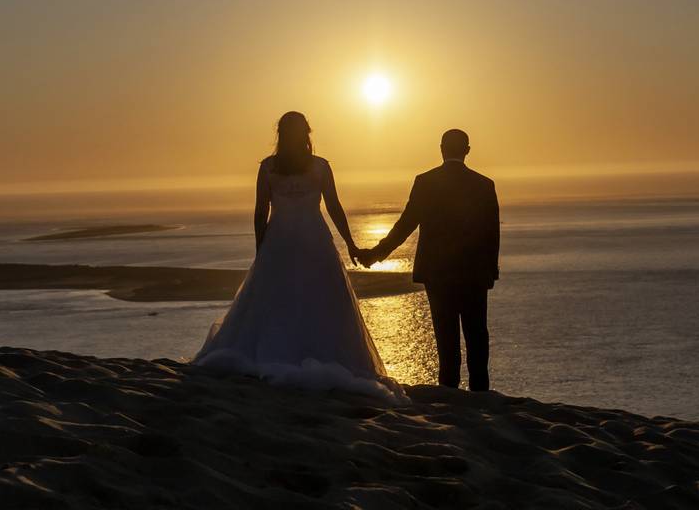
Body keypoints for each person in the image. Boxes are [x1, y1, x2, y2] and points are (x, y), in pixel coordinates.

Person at [193, 111, 405, 401]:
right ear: (306, 134)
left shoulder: (269, 167)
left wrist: (262, 248)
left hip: (281, 240)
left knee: (277, 300)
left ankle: (277, 351)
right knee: (321, 299)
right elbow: (333, 207)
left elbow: (260, 213)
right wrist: (351, 243)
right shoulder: (319, 167)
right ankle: (323, 355)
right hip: (314, 239)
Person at [359, 129, 499, 391]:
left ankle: (449, 392)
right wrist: (491, 271)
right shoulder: (484, 185)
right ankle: (481, 395)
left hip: (438, 273)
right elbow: (492, 232)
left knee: (445, 338)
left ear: (441, 148)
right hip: (473, 274)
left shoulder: (426, 182)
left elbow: (405, 225)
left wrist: (375, 255)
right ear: (467, 150)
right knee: (477, 336)